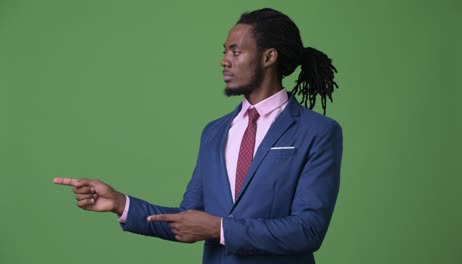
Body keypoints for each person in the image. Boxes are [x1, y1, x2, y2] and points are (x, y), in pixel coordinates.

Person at [54, 8, 343, 264]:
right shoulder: (215, 132)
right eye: (224, 52)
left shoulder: (318, 132)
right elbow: (189, 219)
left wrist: (219, 229)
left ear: (269, 57)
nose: (224, 61)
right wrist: (120, 203)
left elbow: (308, 230)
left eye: (236, 51)